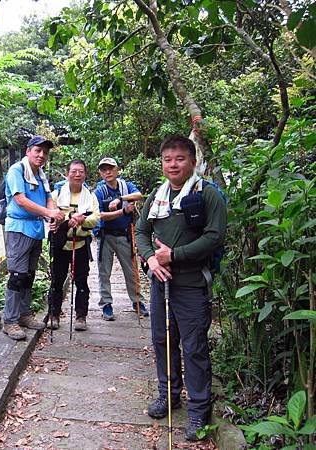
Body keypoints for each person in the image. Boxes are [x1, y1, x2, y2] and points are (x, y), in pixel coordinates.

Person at [135, 135, 226, 441]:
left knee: (195, 346)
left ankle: (199, 408)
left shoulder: (208, 194)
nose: (172, 165)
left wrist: (173, 255)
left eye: (179, 159)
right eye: (167, 159)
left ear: (192, 161)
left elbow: (214, 237)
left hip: (191, 284)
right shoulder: (157, 195)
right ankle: (169, 394)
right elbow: (142, 231)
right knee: (162, 340)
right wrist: (151, 259)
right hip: (161, 283)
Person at [1, 136, 65, 340]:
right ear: (28, 151)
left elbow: (48, 199)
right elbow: (20, 200)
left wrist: (54, 214)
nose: (41, 155)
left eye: (45, 152)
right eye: (37, 150)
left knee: (29, 274)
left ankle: (24, 314)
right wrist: (49, 214)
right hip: (19, 228)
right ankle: (9, 321)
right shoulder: (16, 171)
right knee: (17, 276)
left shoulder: (41, 175)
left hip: (36, 229)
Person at [47, 159, 100, 331]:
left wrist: (83, 219)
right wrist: (66, 220)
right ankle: (53, 315)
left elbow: (95, 217)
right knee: (56, 280)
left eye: (81, 171)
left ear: (85, 174)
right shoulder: (56, 196)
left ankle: (81, 316)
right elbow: (49, 216)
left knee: (81, 281)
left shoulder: (90, 197)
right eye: (74, 171)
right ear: (67, 173)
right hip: (60, 245)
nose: (77, 174)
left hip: (80, 245)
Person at [94, 157, 148, 320]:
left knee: (132, 271)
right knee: (104, 273)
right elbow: (100, 216)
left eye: (110, 168)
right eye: (104, 169)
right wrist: (122, 212)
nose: (108, 172)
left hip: (125, 234)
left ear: (117, 170)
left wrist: (120, 199)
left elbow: (139, 195)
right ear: (100, 173)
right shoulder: (99, 192)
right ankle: (106, 304)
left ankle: (137, 301)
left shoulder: (126, 186)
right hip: (106, 236)